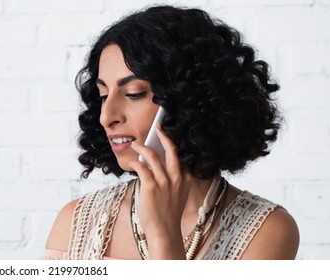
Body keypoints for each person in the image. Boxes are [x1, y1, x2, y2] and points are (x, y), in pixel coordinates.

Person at [43, 5, 299, 260]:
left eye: (134, 94)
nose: (106, 116)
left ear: (189, 99)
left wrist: (162, 235)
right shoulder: (75, 224)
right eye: (103, 95)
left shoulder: (267, 230)